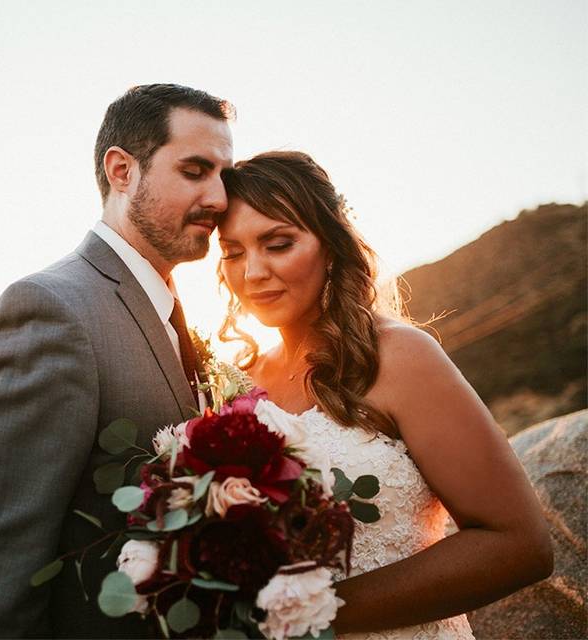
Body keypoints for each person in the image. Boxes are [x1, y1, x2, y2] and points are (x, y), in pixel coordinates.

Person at [215, 151, 553, 638]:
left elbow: (520, 544)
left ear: (330, 246)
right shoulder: (234, 383)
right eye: (232, 252)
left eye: (279, 243)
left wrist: (306, 616)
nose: (252, 273)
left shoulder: (398, 356)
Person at [0, 84, 234, 638]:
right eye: (195, 171)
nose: (220, 198)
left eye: (224, 175)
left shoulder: (170, 310)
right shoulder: (49, 311)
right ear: (122, 171)